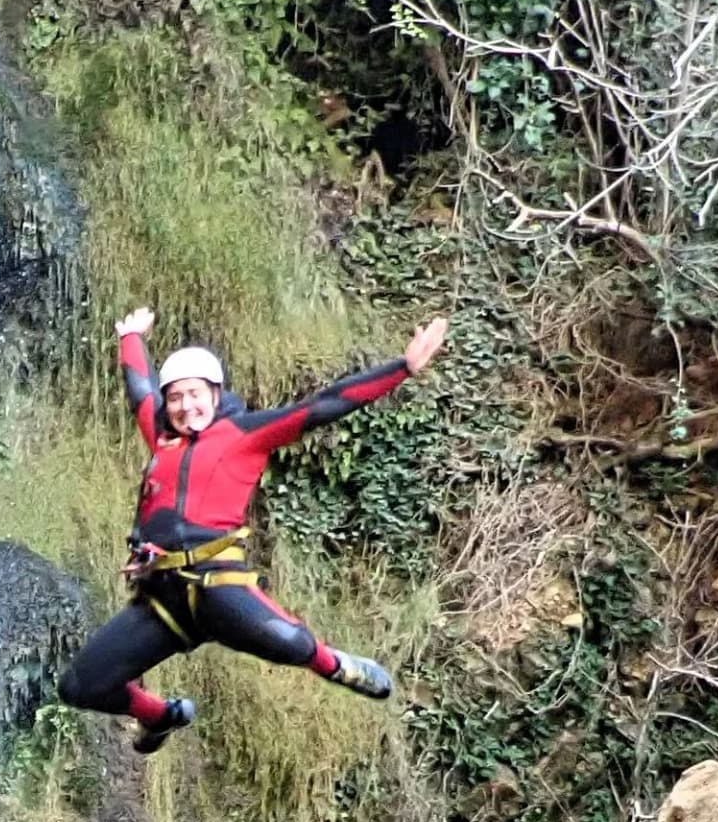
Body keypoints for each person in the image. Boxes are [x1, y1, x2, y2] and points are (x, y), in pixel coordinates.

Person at [53, 304, 450, 755]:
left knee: (289, 642)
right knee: (80, 686)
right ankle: (162, 716)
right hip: (162, 599)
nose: (186, 406)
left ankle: (336, 664)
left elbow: (324, 405)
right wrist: (131, 338)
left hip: (217, 584)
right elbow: (141, 390)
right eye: (177, 398)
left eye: (196, 394)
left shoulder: (245, 434)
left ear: (216, 393)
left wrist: (402, 368)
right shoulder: (162, 439)